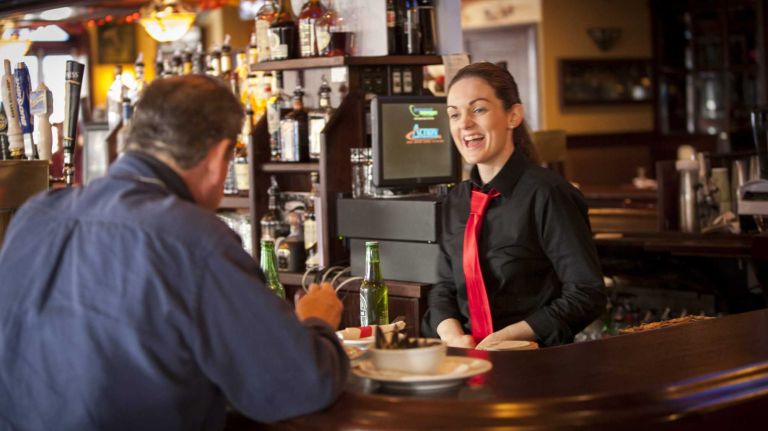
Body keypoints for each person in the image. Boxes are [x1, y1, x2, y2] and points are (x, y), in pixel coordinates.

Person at [0, 75, 349, 430]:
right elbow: (298, 385)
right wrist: (317, 322)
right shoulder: (192, 238)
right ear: (218, 156)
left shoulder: (37, 213)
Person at [422, 62, 607, 349]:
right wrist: (454, 337)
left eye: (479, 109)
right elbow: (444, 288)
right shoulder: (454, 201)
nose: (465, 124)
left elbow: (586, 293)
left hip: (538, 364)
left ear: (513, 115)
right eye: (454, 114)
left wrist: (507, 338)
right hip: (467, 362)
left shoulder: (549, 194)